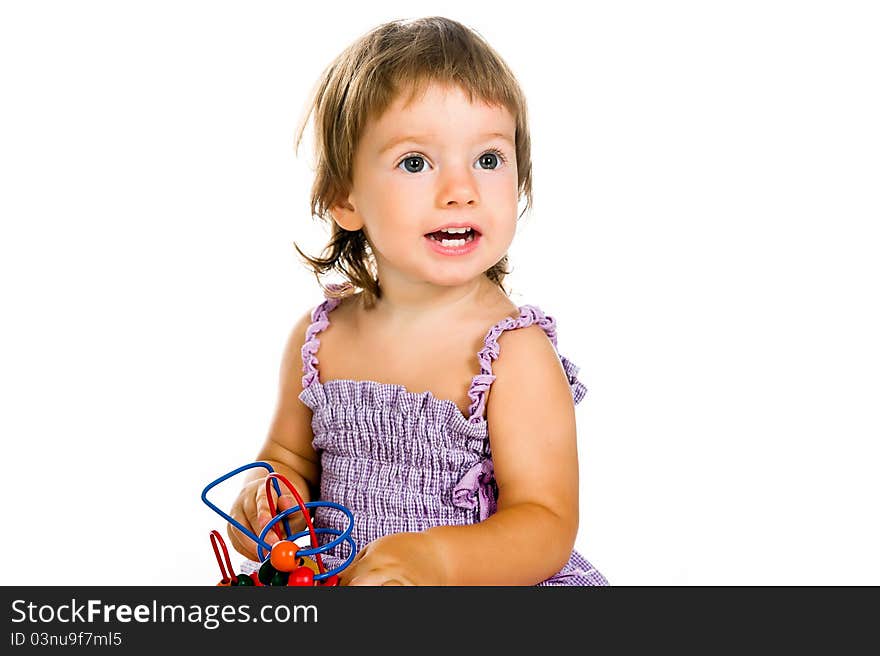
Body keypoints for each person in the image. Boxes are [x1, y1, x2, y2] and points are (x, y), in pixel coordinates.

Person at [226, 16, 608, 586]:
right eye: (414, 162)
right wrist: (265, 500)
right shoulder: (321, 338)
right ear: (344, 199)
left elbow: (547, 523)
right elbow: (289, 457)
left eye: (488, 159)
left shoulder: (513, 355)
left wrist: (439, 560)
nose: (461, 190)